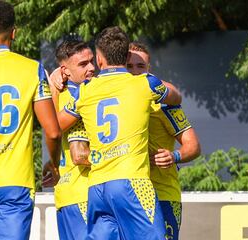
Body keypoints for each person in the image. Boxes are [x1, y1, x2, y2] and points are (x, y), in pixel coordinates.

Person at [58, 26, 182, 240]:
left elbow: (56, 125)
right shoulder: (145, 84)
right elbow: (176, 97)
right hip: (132, 182)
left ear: (99, 59)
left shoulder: (85, 91)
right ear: (125, 57)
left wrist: (54, 82)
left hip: (97, 188)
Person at [0, 1, 61, 239]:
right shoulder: (32, 69)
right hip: (14, 181)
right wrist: (54, 164)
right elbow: (53, 132)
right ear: (14, 32)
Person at [127, 41, 201, 240]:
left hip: (162, 194)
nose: (135, 72)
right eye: (129, 66)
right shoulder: (112, 98)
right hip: (127, 195)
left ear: (149, 69)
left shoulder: (163, 103)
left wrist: (174, 155)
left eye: (140, 66)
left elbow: (193, 145)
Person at [50, 39, 94, 240]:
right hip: (83, 194)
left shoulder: (62, 93)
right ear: (65, 70)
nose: (92, 68)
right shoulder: (79, 97)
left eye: (92, 61)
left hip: (66, 195)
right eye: (83, 64)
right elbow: (79, 155)